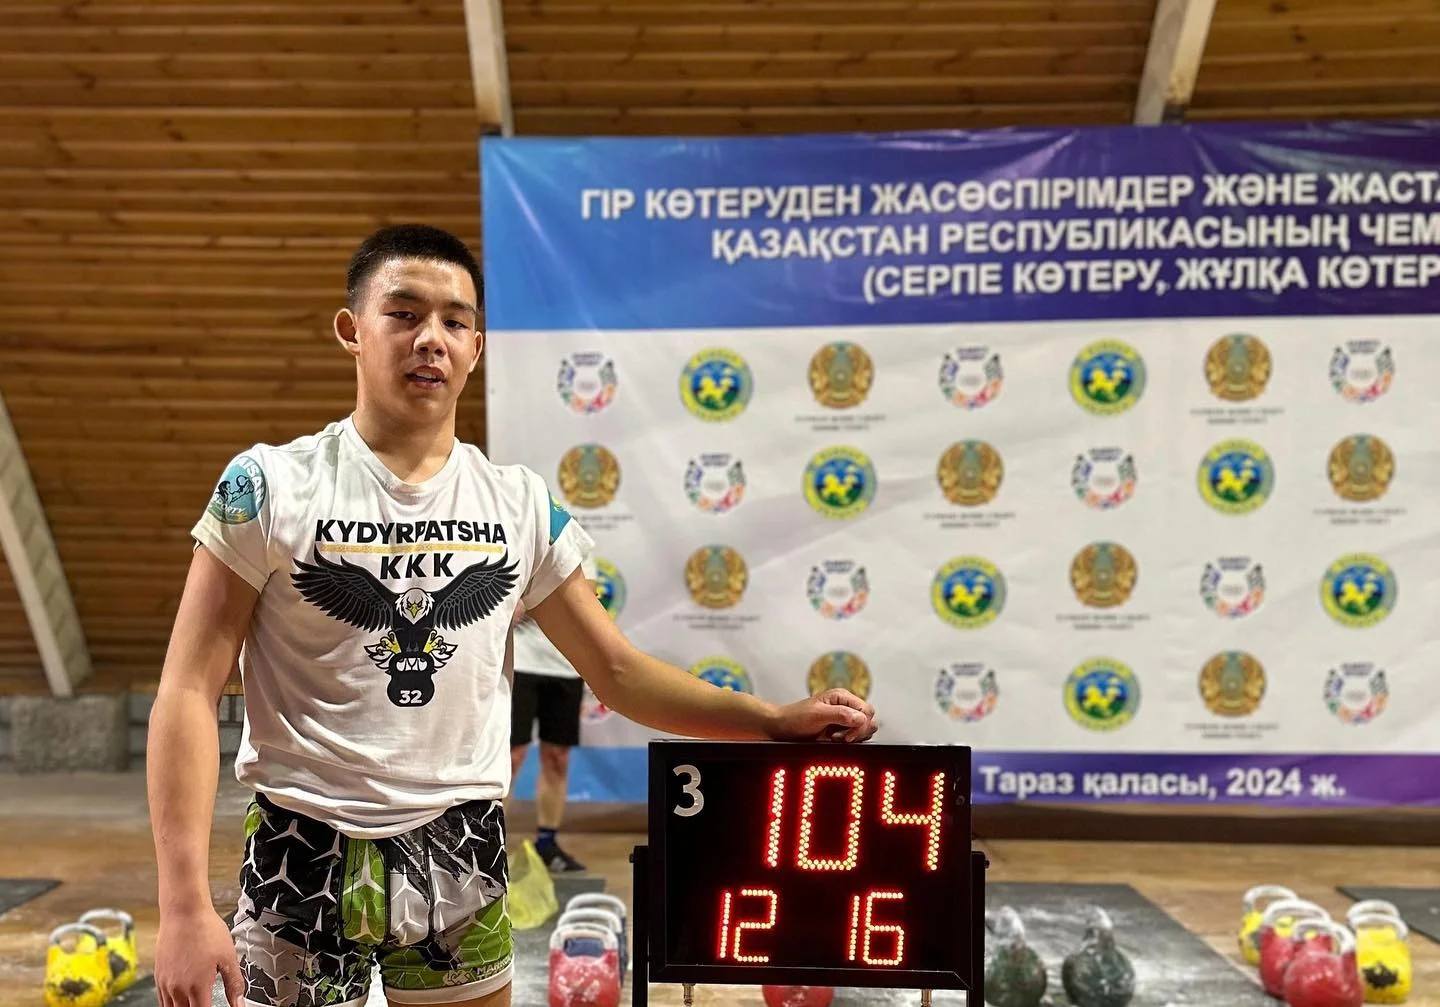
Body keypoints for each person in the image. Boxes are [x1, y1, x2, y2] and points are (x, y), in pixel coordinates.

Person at [146, 223, 878, 1007]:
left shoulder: (520, 504)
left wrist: (770, 720)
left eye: (454, 321)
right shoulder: (268, 486)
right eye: (404, 313)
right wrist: (182, 905)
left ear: (476, 347)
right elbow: (187, 689)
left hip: (460, 845)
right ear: (352, 330)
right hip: (299, 849)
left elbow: (618, 671)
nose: (431, 338)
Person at [508, 551, 597, 874]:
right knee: (510, 757)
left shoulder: (578, 545)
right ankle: (489, 843)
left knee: (557, 758)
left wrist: (532, 599)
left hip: (565, 666)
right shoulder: (522, 542)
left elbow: (586, 598)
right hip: (520, 664)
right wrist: (545, 596)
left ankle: (547, 843)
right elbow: (508, 600)